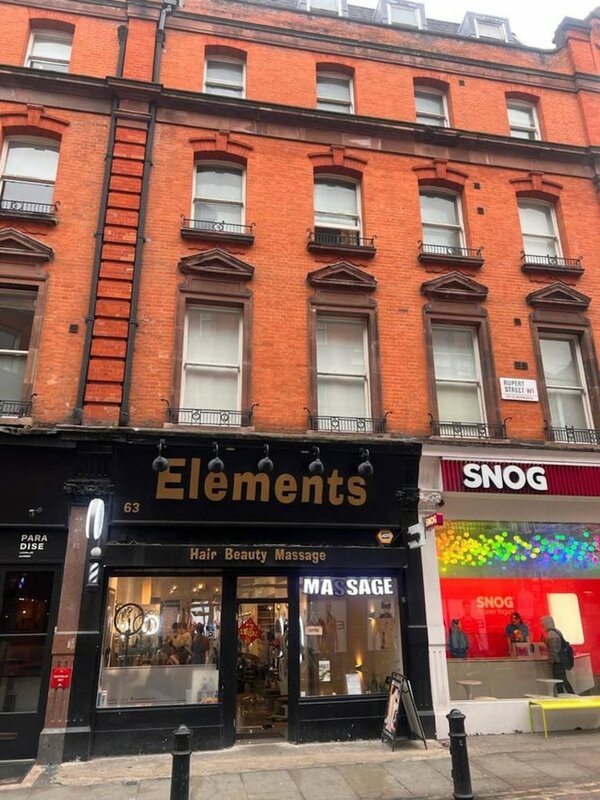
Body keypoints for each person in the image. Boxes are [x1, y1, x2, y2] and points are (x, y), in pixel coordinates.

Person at [541, 616, 574, 694]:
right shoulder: (557, 631)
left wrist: (550, 662)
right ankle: (567, 694)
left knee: (560, 680)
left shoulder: (550, 634)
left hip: (557, 662)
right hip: (562, 660)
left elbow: (553, 650)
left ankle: (567, 694)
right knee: (563, 680)